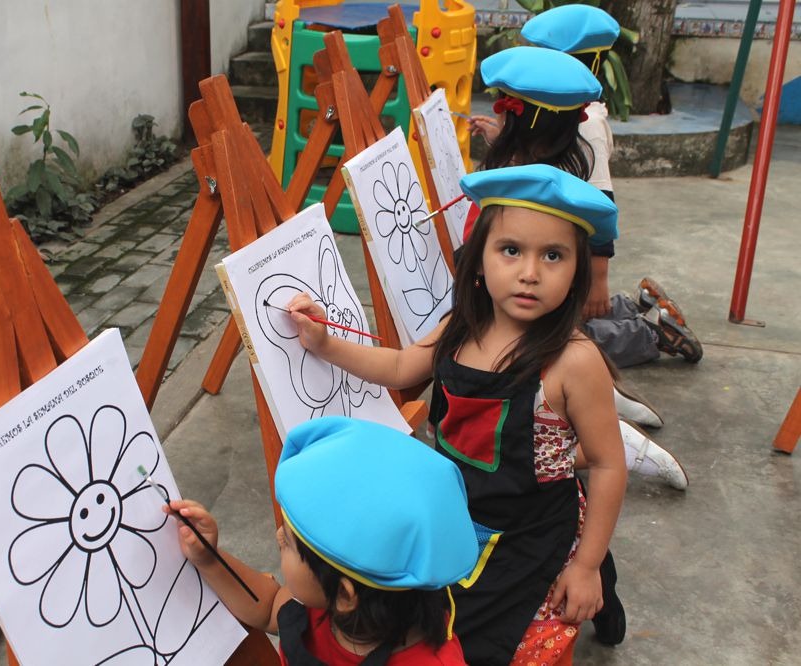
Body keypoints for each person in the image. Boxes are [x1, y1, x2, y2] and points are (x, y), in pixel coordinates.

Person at [288, 165, 628, 664]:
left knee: (513, 642)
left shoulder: (574, 361)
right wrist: (325, 344)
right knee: (442, 625)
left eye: (553, 255)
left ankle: (601, 594)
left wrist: (587, 565)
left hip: (530, 532)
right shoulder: (460, 326)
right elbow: (401, 366)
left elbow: (606, 464)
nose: (530, 272)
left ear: (578, 271)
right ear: (477, 261)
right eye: (511, 250)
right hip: (455, 516)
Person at [466, 44, 689, 494]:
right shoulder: (547, 169)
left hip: (525, 337)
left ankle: (614, 439)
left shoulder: (534, 191)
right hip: (535, 325)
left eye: (506, 110)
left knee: (527, 434)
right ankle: (611, 405)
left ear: (521, 123)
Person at [165, 416, 479, 665]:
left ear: (344, 594)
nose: (278, 537)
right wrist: (209, 559)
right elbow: (270, 608)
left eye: (289, 543)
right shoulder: (324, 607)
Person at [520, 3, 704, 369]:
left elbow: (601, 200)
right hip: (559, 247)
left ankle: (653, 334)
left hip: (575, 251)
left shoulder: (585, 125)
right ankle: (633, 307)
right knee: (563, 313)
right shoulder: (567, 112)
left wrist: (598, 280)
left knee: (549, 339)